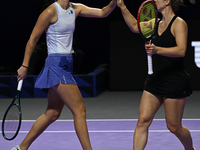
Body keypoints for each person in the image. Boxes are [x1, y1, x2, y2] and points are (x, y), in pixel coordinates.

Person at [15, 0, 117, 150]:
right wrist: (25, 65)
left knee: (52, 113)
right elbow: (33, 40)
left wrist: (114, 3)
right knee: (80, 110)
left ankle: (21, 147)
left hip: (68, 64)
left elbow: (103, 12)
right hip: (56, 64)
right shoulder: (50, 12)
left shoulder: (76, 8)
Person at [116, 0, 196, 150]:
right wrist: (122, 6)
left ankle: (190, 149)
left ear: (167, 1)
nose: (153, 1)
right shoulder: (154, 23)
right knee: (143, 121)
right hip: (155, 80)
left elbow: (181, 51)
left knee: (174, 127)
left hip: (174, 82)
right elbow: (135, 26)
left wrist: (157, 50)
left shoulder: (179, 23)